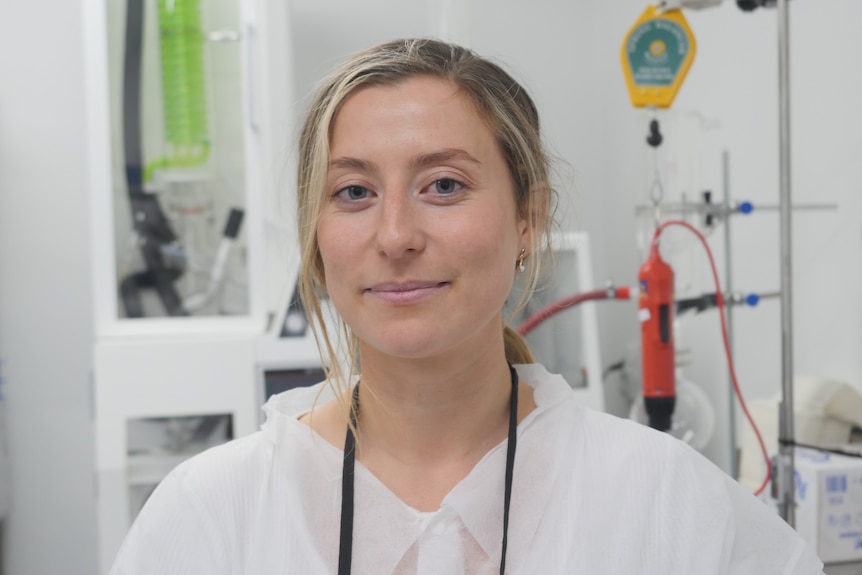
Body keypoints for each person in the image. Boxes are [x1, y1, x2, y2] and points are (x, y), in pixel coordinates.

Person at [109, 38, 823, 574]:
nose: (394, 236)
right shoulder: (212, 512)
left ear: (528, 218)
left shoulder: (661, 498)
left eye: (443, 185)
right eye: (353, 191)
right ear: (315, 233)